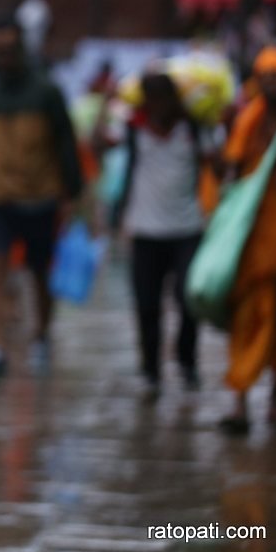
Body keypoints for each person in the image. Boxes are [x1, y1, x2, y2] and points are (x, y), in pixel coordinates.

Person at [0, 16, 83, 379]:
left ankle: (41, 336)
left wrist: (73, 192)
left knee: (38, 273)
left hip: (41, 196)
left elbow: (66, 143)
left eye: (10, 49)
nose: (4, 57)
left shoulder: (46, 92)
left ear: (22, 49)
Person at [97, 71, 211, 400]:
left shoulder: (193, 129)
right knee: (147, 306)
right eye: (152, 98)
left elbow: (217, 166)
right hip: (145, 231)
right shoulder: (133, 129)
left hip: (187, 230)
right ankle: (151, 371)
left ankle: (187, 362)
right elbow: (98, 143)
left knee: (189, 301)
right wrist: (107, 104)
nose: (158, 105)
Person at [218, 45, 276, 435]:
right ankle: (240, 400)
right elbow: (229, 172)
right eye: (265, 75)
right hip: (253, 248)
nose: (272, 82)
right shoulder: (249, 121)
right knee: (248, 321)